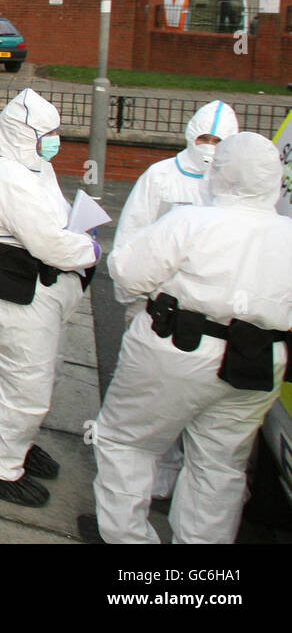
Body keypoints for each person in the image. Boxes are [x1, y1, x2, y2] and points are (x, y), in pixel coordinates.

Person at [87, 132, 292, 544]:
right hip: (256, 361)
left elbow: (128, 272)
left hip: (177, 348)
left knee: (128, 442)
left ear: (219, 173)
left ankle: (128, 540)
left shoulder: (190, 222)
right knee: (220, 464)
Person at [0, 88, 100, 507]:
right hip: (20, 289)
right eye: (47, 132)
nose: (54, 140)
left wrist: (77, 234)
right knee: (25, 382)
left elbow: (59, 217)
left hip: (42, 289)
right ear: (23, 134)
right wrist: (91, 248)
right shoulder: (7, 177)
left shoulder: (36, 167)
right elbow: (50, 243)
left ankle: (18, 445)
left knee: (42, 374)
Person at [111, 100, 239, 500]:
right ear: (190, 134)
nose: (210, 147)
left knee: (193, 416)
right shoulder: (161, 177)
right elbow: (133, 233)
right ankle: (151, 488)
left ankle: (172, 487)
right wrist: (132, 298)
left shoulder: (235, 190)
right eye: (204, 137)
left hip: (213, 319)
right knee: (150, 412)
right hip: (159, 309)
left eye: (220, 141)